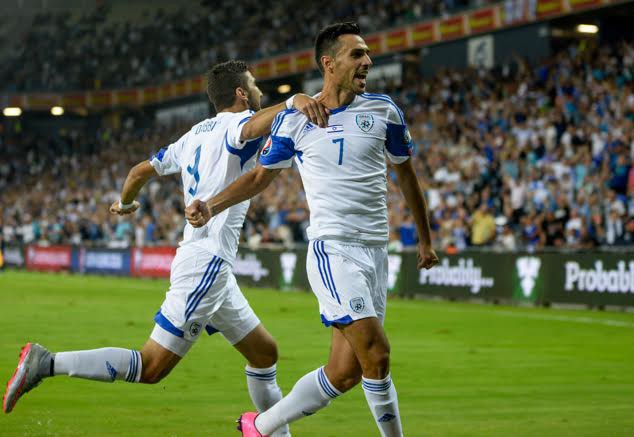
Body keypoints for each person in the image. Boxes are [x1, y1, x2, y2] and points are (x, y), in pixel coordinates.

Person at [2, 60, 329, 437]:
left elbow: (138, 171)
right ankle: (46, 362)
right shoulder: (238, 125)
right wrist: (292, 101)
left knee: (264, 354)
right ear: (241, 93)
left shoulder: (191, 137)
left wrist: (125, 203)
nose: (258, 90)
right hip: (206, 263)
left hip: (210, 265)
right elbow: (254, 126)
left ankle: (272, 432)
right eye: (253, 85)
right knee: (151, 366)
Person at [186, 23, 439, 437]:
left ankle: (260, 425)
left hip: (376, 251)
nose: (368, 61)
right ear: (329, 63)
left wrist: (425, 240)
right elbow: (258, 178)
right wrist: (210, 205)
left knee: (345, 372)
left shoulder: (384, 110)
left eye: (367, 53)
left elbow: (407, 176)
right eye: (356, 54)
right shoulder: (295, 120)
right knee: (377, 354)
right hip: (333, 250)